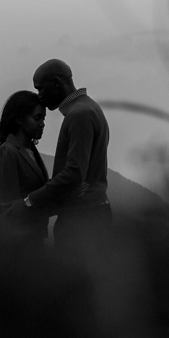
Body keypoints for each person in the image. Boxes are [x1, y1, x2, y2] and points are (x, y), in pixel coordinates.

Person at [21, 59, 111, 251]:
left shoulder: (80, 114)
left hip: (83, 218)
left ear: (56, 83)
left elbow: (74, 174)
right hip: (90, 214)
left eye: (40, 89)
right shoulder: (88, 107)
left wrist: (31, 201)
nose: (39, 96)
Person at [0, 90, 50, 244]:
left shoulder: (31, 152)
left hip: (35, 238)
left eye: (43, 118)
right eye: (37, 118)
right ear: (19, 119)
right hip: (17, 242)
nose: (42, 123)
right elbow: (10, 207)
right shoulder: (8, 152)